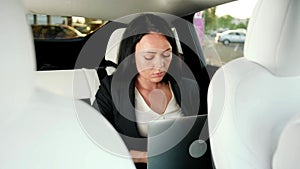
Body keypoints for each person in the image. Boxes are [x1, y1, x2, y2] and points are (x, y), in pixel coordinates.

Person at [94, 13, 205, 169]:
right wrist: (146, 157)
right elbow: (96, 142)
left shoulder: (188, 87)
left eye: (166, 54)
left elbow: (203, 135)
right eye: (148, 57)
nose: (159, 65)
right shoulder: (111, 90)